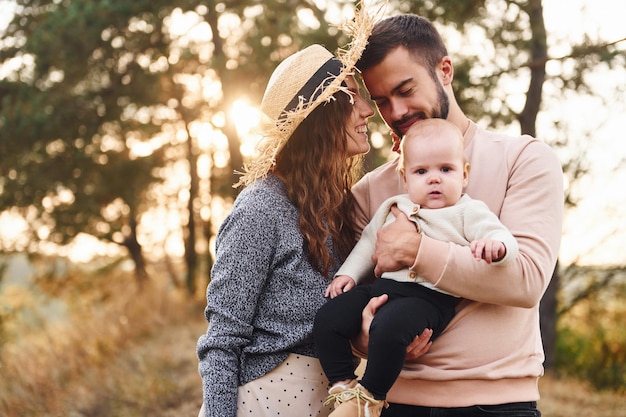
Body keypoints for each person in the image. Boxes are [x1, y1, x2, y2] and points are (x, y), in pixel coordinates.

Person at [348, 13, 564, 417]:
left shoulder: (524, 159)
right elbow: (349, 296)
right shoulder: (370, 192)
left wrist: (416, 250)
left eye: (405, 89)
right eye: (380, 102)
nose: (395, 112)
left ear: (444, 70)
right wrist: (362, 335)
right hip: (398, 406)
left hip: (498, 406)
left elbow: (527, 280)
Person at [195, 7, 391, 416]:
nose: (368, 111)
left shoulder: (338, 209)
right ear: (324, 115)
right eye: (353, 97)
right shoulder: (260, 209)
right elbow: (222, 341)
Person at [313, 119, 519, 417]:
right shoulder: (394, 205)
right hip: (381, 289)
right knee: (329, 317)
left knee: (388, 328)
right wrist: (347, 274)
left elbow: (501, 236)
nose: (434, 179)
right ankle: (342, 383)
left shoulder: (467, 210)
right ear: (405, 177)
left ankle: (369, 398)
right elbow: (370, 242)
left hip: (428, 298)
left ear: (464, 174)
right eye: (421, 171)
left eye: (445, 170)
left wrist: (496, 247)